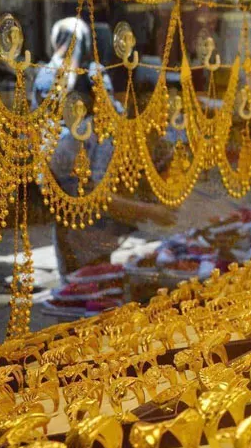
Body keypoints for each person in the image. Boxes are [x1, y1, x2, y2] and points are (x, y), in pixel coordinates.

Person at [36, 17, 176, 281]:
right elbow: (96, 197)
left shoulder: (116, 128)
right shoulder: (93, 133)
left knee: (98, 281)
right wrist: (149, 212)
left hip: (93, 222)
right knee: (82, 283)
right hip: (78, 222)